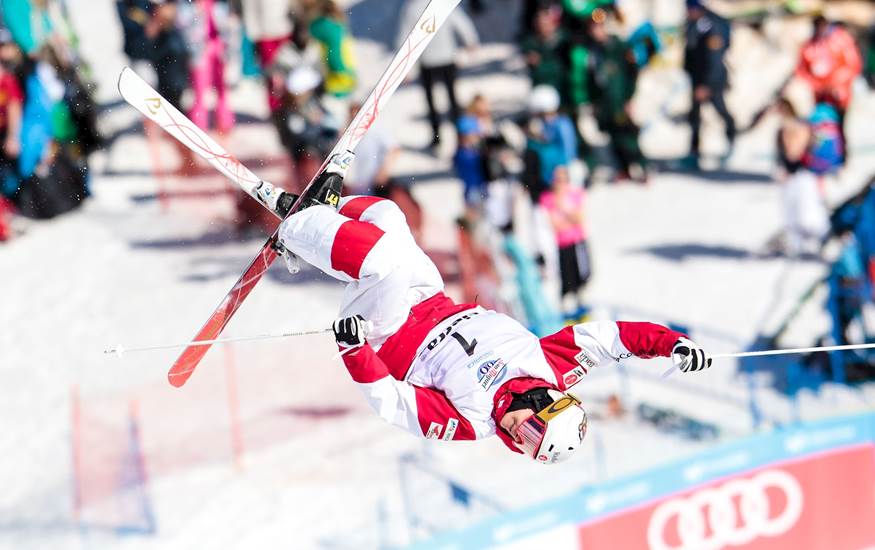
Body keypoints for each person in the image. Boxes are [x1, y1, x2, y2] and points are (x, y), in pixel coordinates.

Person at [270, 183, 713, 464]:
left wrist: (357, 352)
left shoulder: (472, 421)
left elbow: (394, 403)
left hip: (385, 330)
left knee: (384, 262)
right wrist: (673, 345)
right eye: (535, 430)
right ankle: (328, 207)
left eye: (528, 447)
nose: (521, 436)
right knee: (390, 219)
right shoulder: (550, 366)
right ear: (548, 400)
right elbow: (615, 338)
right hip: (431, 298)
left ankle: (294, 226)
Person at [398, 0, 478, 148]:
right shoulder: (439, 3)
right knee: (451, 99)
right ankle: (457, 136)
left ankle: (439, 137)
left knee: (433, 101)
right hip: (444, 57)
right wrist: (471, 41)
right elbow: (461, 22)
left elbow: (404, 36)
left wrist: (404, 67)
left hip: (430, 60)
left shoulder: (412, 7)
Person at [586, 13, 646, 183]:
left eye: (599, 26)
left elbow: (632, 73)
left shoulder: (620, 46)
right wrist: (593, 103)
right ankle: (623, 169)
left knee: (628, 137)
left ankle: (641, 166)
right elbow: (592, 79)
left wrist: (629, 97)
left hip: (620, 101)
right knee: (612, 137)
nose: (597, 31)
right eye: (593, 28)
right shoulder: (593, 51)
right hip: (605, 104)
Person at [794, 14, 861, 164]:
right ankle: (819, 158)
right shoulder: (810, 45)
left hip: (840, 94)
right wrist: (818, 85)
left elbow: (853, 65)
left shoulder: (841, 40)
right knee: (820, 128)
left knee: (840, 126)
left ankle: (841, 158)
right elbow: (801, 69)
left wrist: (835, 83)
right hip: (820, 95)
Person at [683, 0, 735, 170]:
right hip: (697, 79)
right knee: (694, 117)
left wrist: (707, 85)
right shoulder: (693, 25)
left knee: (720, 110)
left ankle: (732, 142)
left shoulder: (712, 26)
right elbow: (690, 54)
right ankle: (694, 152)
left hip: (712, 80)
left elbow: (714, 59)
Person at [540, 166, 591, 320]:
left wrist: (563, 208)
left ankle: (581, 308)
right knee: (565, 278)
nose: (560, 183)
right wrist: (568, 215)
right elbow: (555, 225)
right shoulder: (548, 199)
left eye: (563, 180)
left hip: (577, 241)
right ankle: (568, 311)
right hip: (562, 244)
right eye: (557, 180)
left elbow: (579, 219)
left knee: (582, 275)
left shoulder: (574, 195)